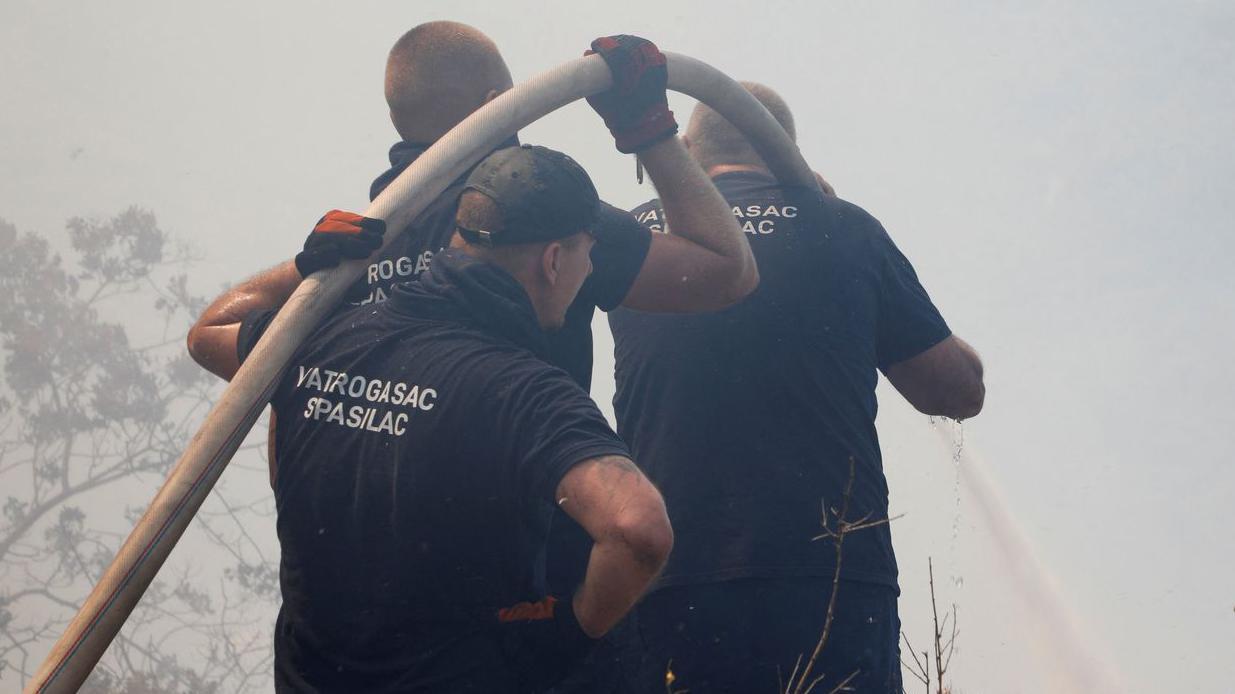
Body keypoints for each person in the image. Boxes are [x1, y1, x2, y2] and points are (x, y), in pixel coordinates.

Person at [225, 144, 673, 692]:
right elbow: (637, 529)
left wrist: (307, 271)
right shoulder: (525, 393)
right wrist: (567, 633)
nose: (589, 271)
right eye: (588, 255)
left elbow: (207, 334)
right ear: (555, 261)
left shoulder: (323, 338)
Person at [608, 83, 986, 693]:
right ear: (789, 154)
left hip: (666, 575)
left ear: (687, 152)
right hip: (828, 575)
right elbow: (958, 392)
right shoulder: (845, 228)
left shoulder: (630, 240)